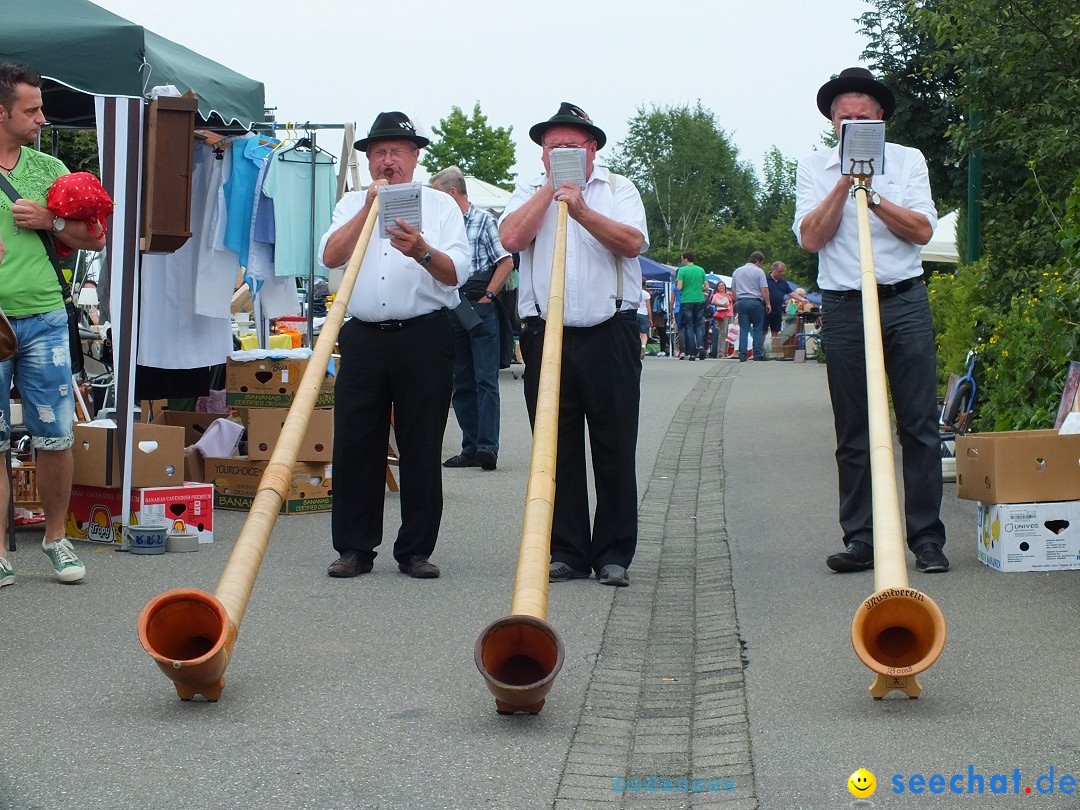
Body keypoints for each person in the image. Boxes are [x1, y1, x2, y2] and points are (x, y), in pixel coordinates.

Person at [793, 66, 948, 574]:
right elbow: (811, 238)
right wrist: (845, 182)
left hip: (903, 299)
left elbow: (922, 231)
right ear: (832, 123)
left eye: (863, 117)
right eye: (844, 119)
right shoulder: (814, 167)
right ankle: (861, 538)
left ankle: (926, 539)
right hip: (843, 304)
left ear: (881, 119)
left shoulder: (908, 161)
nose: (853, 124)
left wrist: (874, 195)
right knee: (853, 427)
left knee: (920, 424)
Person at [500, 102, 648, 587]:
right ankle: (566, 550)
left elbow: (631, 243)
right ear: (542, 154)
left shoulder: (618, 188)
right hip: (548, 334)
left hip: (610, 330)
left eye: (571, 145)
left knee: (614, 444)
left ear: (592, 149)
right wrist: (549, 192)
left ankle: (613, 554)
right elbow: (511, 238)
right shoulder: (528, 190)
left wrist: (580, 208)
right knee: (554, 447)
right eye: (552, 146)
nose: (561, 152)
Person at [319, 111, 469, 580]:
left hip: (423, 335)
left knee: (420, 444)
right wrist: (369, 209)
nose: (388, 162)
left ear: (415, 157)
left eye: (397, 152)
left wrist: (422, 250)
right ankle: (354, 549)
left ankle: (416, 550)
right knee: (355, 443)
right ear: (368, 161)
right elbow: (329, 256)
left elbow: (457, 273)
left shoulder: (441, 206)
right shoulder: (349, 203)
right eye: (379, 153)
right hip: (363, 335)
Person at [0, 64, 106, 589]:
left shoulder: (49, 168)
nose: (43, 118)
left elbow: (96, 236)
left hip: (44, 315)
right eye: (32, 110)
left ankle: (56, 537)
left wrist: (52, 222)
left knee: (56, 436)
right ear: (1, 113)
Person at [430, 165, 513, 472]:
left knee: (485, 379)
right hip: (453, 304)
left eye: (438, 194)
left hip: (479, 303)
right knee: (461, 379)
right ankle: (470, 446)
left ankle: (487, 447)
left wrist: (489, 296)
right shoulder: (442, 227)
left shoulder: (482, 220)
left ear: (452, 193)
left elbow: (506, 261)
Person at [730, 251, 771, 362]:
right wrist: (768, 303)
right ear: (758, 261)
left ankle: (742, 355)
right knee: (757, 328)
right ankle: (757, 354)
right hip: (755, 301)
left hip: (742, 301)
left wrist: (737, 300)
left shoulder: (737, 271)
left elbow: (733, 288)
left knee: (744, 329)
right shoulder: (759, 271)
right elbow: (764, 289)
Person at [675, 252, 708, 360]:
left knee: (689, 326)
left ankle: (692, 353)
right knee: (698, 324)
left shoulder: (682, 270)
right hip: (699, 299)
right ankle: (701, 346)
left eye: (682, 259)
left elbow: (679, 287)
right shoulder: (701, 270)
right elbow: (706, 287)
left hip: (687, 300)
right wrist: (698, 287)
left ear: (686, 259)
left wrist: (686, 286)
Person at [765, 261, 794, 339]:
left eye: (783, 271)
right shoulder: (765, 279)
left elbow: (791, 293)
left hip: (777, 310)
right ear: (774, 269)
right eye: (780, 271)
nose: (782, 273)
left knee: (775, 330)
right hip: (765, 309)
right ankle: (759, 349)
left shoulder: (783, 282)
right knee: (762, 330)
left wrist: (802, 299)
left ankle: (773, 349)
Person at [709, 280, 733, 358]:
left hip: (730, 314)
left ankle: (726, 352)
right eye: (720, 286)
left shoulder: (728, 294)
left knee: (729, 334)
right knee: (723, 333)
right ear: (717, 288)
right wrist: (722, 304)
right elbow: (713, 302)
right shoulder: (717, 295)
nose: (721, 287)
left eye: (723, 285)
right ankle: (721, 352)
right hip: (723, 314)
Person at [636, 280, 652, 358]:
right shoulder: (646, 294)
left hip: (635, 313)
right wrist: (650, 319)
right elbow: (648, 307)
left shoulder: (635, 292)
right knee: (644, 333)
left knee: (636, 332)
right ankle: (643, 346)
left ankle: (637, 348)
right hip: (643, 314)